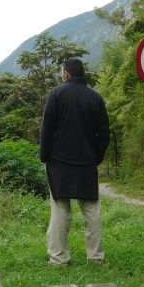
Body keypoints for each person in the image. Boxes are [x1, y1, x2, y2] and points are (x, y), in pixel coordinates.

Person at [40, 57, 110, 265]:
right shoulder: (96, 98)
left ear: (66, 74)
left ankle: (59, 258)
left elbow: (47, 129)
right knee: (92, 211)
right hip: (87, 164)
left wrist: (44, 156)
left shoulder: (56, 94)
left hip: (59, 163)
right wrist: (95, 157)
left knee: (60, 210)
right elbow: (104, 134)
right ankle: (95, 257)